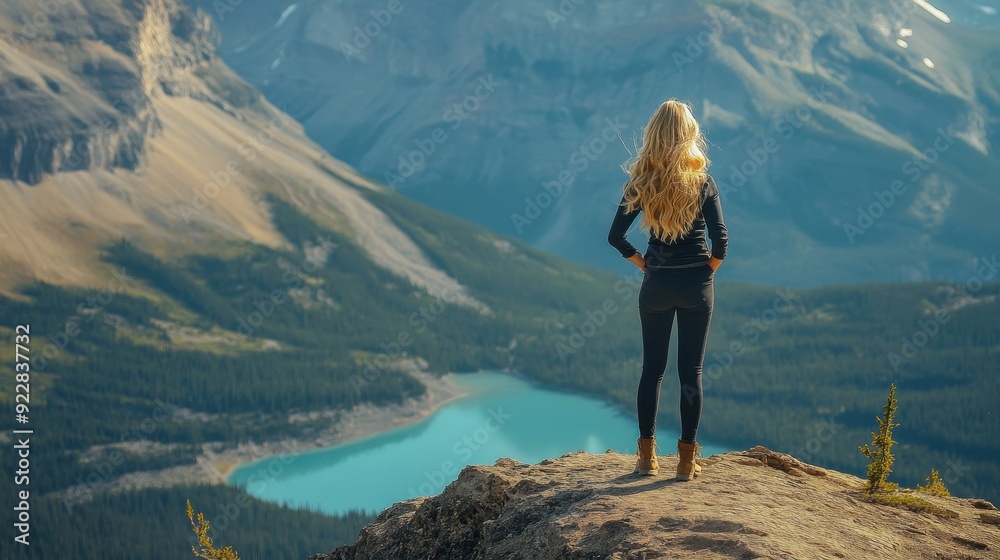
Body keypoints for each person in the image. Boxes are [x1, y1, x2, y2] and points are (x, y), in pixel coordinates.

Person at [607, 99, 728, 481]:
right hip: (696, 286)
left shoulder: (641, 181)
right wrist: (704, 271)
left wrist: (645, 264)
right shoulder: (703, 181)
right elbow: (721, 242)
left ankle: (646, 457)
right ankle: (686, 462)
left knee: (652, 371)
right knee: (690, 372)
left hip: (656, 285)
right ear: (690, 134)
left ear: (653, 135)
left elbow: (615, 237)